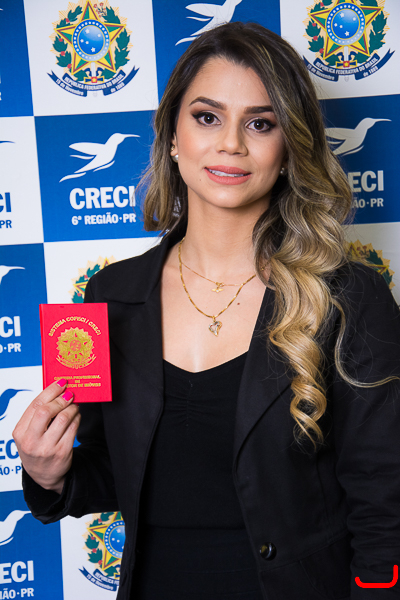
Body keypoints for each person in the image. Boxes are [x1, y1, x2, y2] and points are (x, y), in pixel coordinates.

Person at [13, 22, 400, 600]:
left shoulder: (349, 295)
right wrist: (48, 473)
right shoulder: (110, 296)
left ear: (289, 148)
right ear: (173, 135)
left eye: (260, 123)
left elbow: (384, 501)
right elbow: (120, 471)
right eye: (207, 117)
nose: (231, 144)